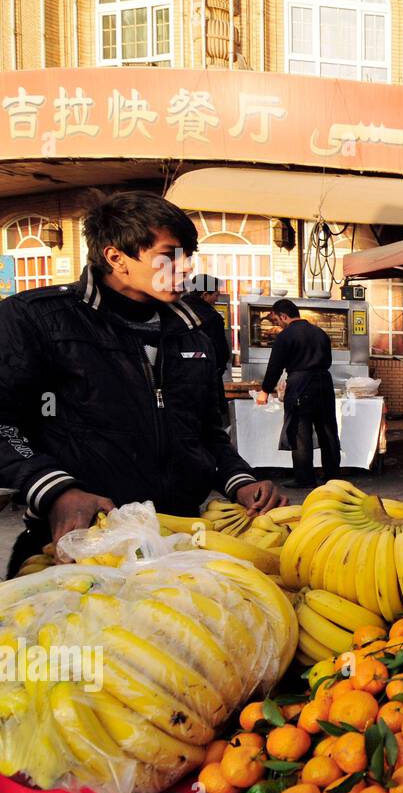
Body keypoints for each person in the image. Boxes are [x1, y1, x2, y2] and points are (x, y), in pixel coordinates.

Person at [0, 191, 284, 576]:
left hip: (177, 546)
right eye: (169, 256)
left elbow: (205, 432)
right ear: (116, 258)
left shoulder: (193, 331)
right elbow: (4, 425)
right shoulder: (35, 321)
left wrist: (241, 481)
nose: (185, 269)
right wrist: (56, 490)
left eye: (188, 256)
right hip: (76, 548)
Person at [256, 299, 341, 489]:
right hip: (324, 383)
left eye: (277, 320)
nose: (278, 324)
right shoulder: (320, 333)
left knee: (300, 432)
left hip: (300, 384)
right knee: (327, 430)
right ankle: (333, 476)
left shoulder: (285, 336)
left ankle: (304, 478)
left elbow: (275, 366)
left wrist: (265, 390)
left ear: (284, 316)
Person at [185, 273, 232, 427]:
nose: (218, 297)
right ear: (205, 295)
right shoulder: (212, 317)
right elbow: (221, 352)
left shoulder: (176, 310)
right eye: (216, 293)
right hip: (206, 379)